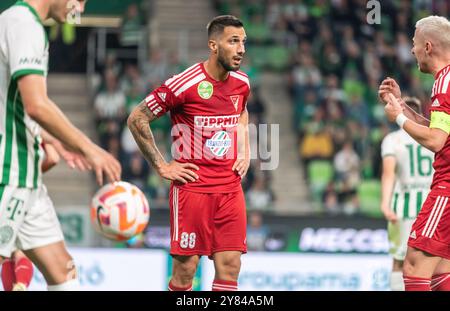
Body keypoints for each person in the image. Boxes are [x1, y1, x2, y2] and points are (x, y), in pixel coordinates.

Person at [0, 0, 121, 291]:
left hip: (27, 176)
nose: (79, 8)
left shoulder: (14, 21)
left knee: (63, 273)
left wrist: (54, 139)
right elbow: (36, 105)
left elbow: (13, 102)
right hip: (8, 172)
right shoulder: (24, 25)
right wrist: (90, 147)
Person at [128, 15, 250, 291]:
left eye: (243, 42)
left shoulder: (242, 82)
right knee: (186, 272)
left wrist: (245, 151)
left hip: (230, 189)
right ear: (213, 45)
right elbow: (137, 118)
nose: (241, 48)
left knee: (231, 267)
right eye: (233, 41)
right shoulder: (185, 83)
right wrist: (162, 166)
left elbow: (242, 111)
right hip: (191, 190)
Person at [379, 15, 450, 291]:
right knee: (441, 269)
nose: (412, 50)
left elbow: (435, 141)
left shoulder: (444, 82)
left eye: (414, 43)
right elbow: (440, 133)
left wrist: (397, 118)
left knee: (413, 265)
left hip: (446, 189)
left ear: (428, 46)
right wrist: (403, 108)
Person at [380, 97, 434, 291]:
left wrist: (385, 204)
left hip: (403, 207)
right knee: (435, 261)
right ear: (419, 113)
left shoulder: (392, 140)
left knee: (399, 260)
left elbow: (389, 174)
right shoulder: (432, 136)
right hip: (431, 207)